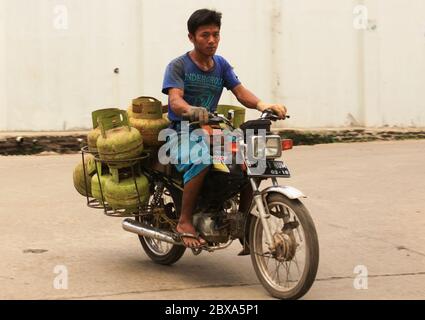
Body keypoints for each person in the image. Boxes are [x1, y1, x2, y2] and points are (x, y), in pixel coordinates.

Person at [162, 8, 287, 249]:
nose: (211, 40)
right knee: (202, 160)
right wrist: (191, 110)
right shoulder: (178, 66)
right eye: (205, 35)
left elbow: (240, 92)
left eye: (216, 35)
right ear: (191, 37)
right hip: (180, 132)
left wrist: (264, 104)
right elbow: (175, 101)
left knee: (253, 156)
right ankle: (185, 221)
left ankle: (243, 220)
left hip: (213, 128)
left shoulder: (221, 65)